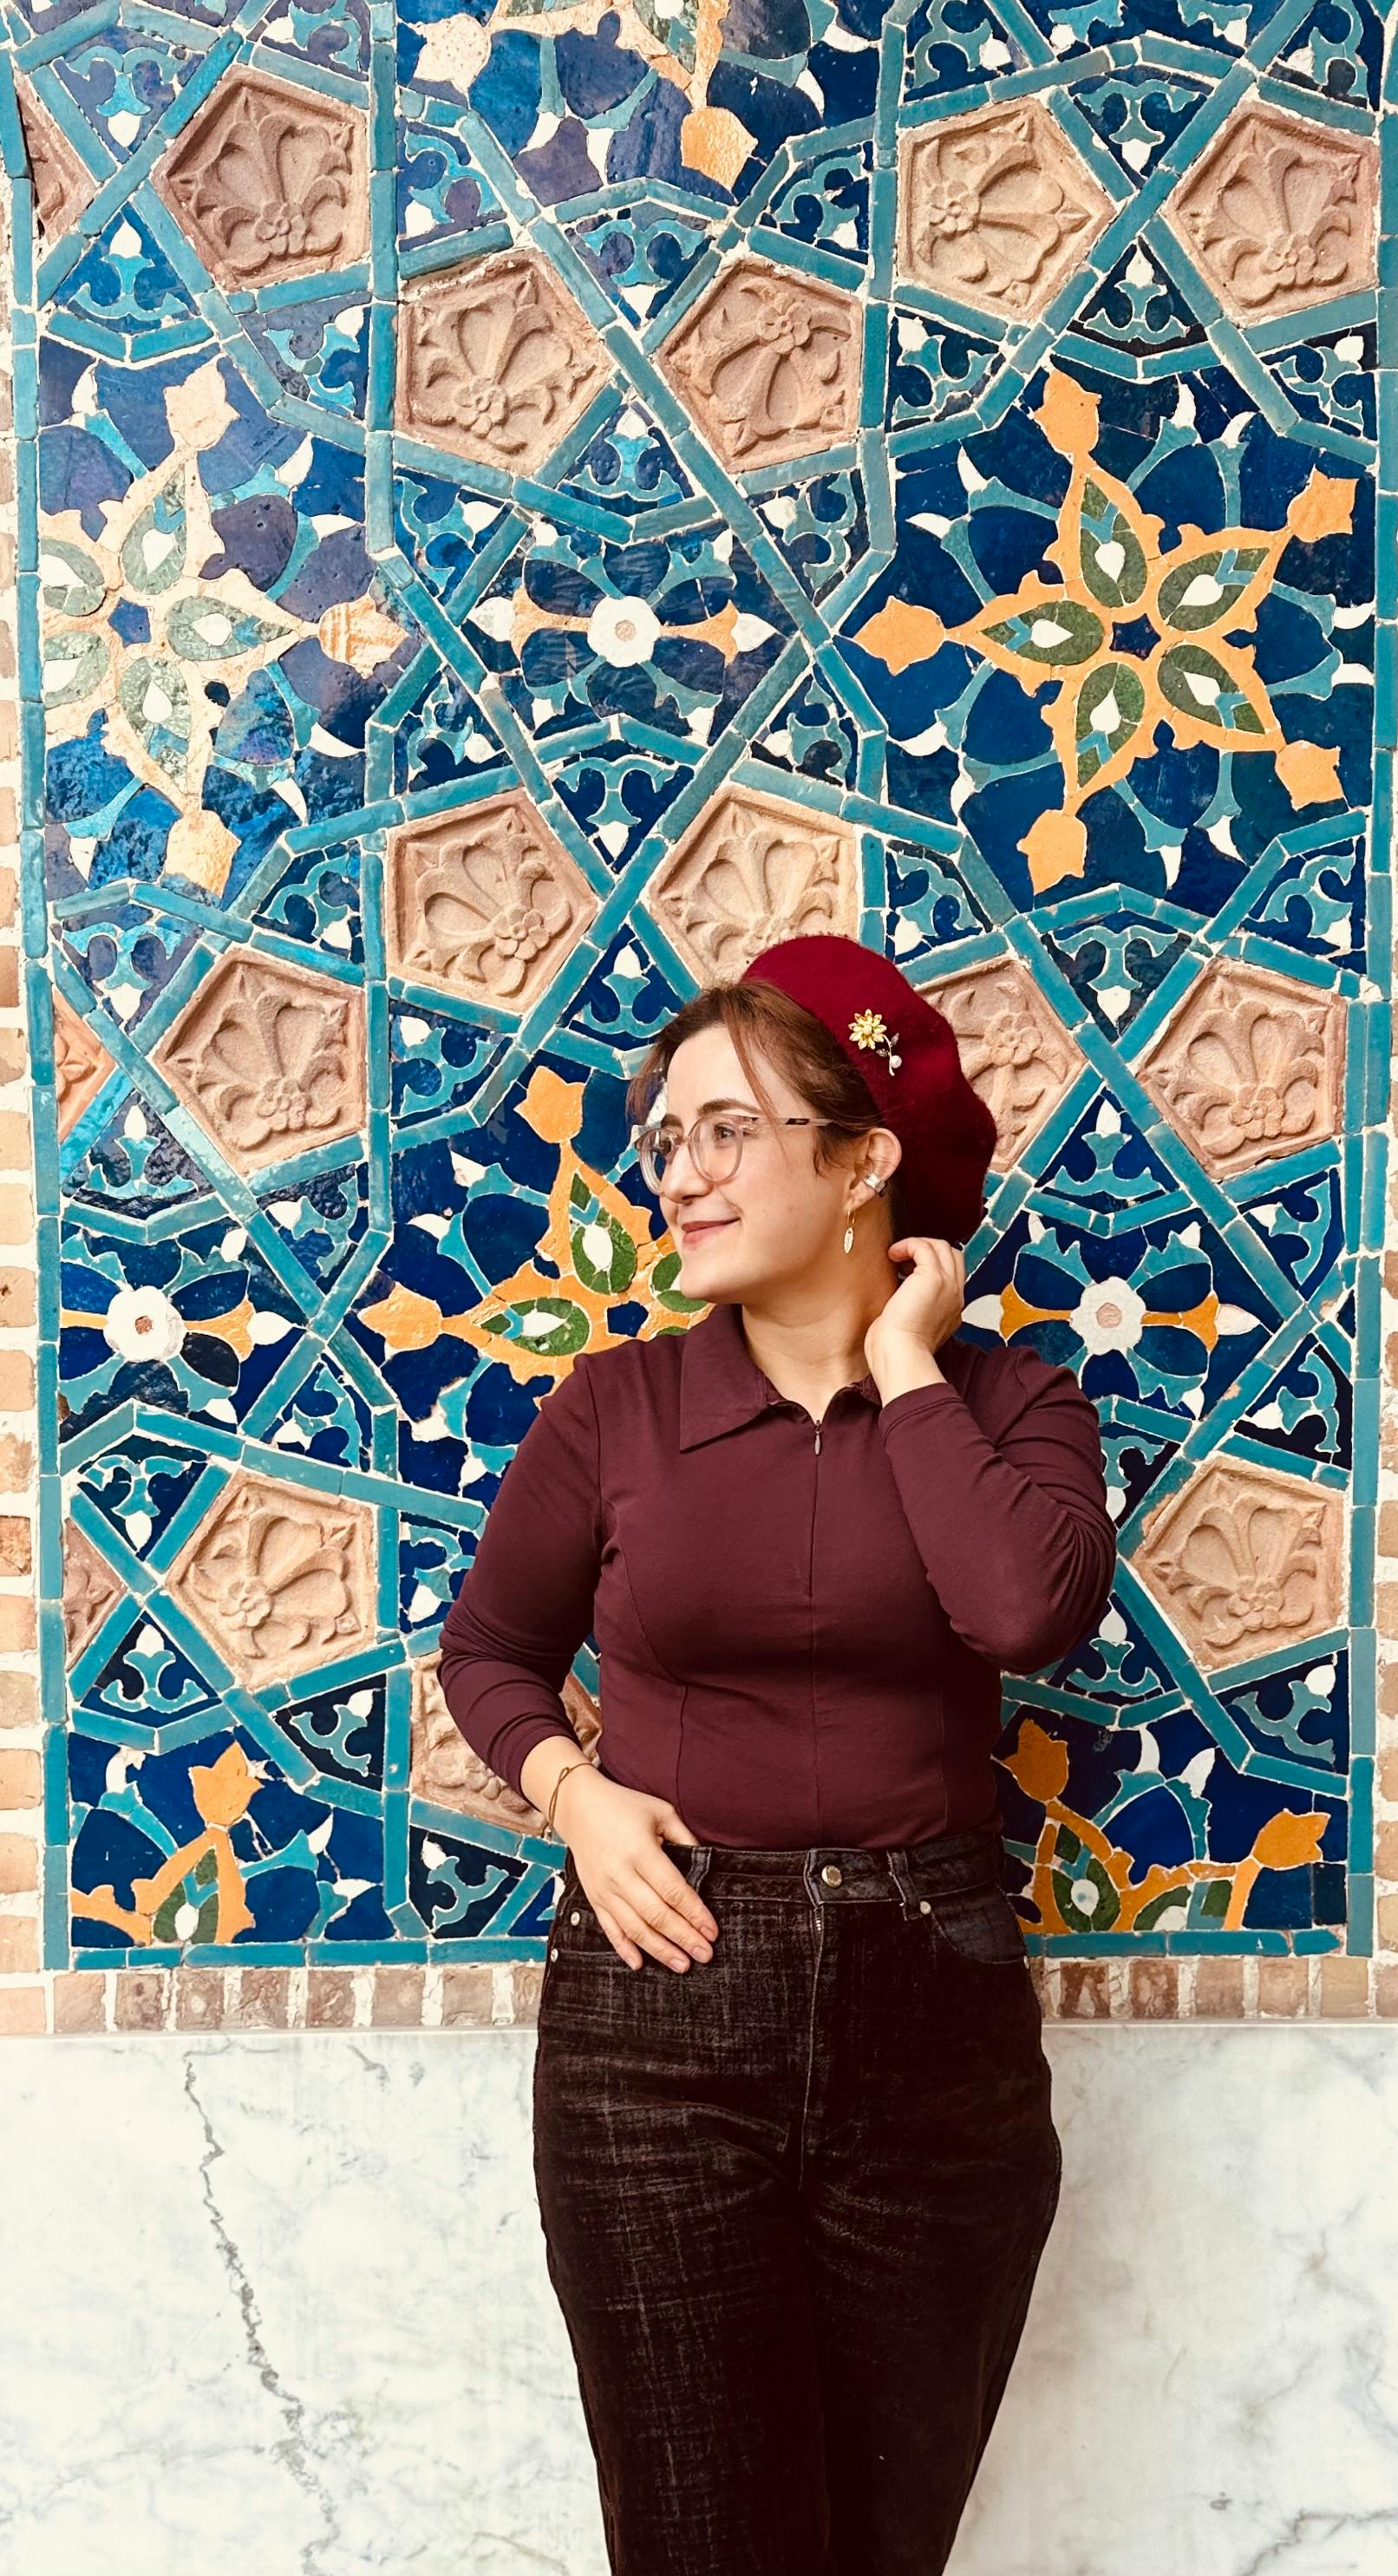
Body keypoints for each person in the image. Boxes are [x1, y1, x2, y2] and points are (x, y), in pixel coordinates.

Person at [437, 930, 1117, 2576]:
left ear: (866, 1160)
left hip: (936, 2022)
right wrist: (577, 1796)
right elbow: (489, 1653)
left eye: (728, 1130)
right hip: (659, 2022)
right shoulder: (614, 1410)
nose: (680, 1174)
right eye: (666, 1136)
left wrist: (904, 1368)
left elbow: (1024, 1611)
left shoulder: (1013, 1404)